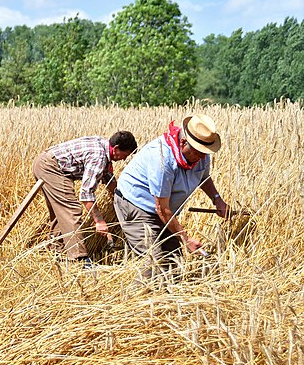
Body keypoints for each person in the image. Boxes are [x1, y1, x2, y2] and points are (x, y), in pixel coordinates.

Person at [113, 113, 229, 280]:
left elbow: (204, 177)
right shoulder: (161, 159)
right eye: (199, 152)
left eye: (205, 152)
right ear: (183, 143)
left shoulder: (201, 153)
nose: (203, 157)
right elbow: (162, 208)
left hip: (163, 211)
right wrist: (185, 239)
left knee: (174, 264)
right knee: (155, 263)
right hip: (136, 205)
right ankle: (136, 302)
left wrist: (217, 199)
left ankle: (168, 301)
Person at [32, 131, 138, 264]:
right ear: (116, 148)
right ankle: (79, 259)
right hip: (50, 167)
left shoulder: (104, 150)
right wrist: (99, 221)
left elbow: (109, 181)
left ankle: (56, 253)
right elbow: (86, 194)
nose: (123, 159)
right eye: (125, 155)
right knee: (71, 209)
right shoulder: (98, 156)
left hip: (45, 163)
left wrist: (125, 199)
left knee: (60, 213)